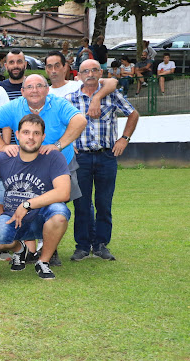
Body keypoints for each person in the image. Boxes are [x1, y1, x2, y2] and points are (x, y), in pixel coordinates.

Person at [0, 74, 87, 265]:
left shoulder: (58, 103)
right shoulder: (15, 106)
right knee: (22, 199)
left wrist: (59, 144)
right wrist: (2, 147)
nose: (35, 90)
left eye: (40, 86)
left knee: (56, 209)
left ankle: (49, 250)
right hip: (24, 163)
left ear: (47, 89)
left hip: (58, 161)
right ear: (22, 91)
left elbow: (80, 121)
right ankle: (26, 249)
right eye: (30, 87)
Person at [66, 60, 139, 262]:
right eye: (85, 71)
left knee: (104, 203)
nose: (90, 73)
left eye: (94, 70)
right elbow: (58, 123)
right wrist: (66, 142)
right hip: (80, 157)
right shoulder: (70, 99)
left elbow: (133, 114)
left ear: (101, 73)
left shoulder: (111, 95)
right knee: (81, 203)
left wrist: (124, 139)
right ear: (78, 75)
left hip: (107, 156)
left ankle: (100, 245)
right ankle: (81, 246)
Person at [0, 114, 71, 280]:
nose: (31, 137)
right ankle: (20, 249)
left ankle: (43, 261)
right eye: (26, 132)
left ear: (43, 137)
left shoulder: (53, 156)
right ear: (17, 135)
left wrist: (27, 204)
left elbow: (64, 192)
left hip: (41, 216)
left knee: (60, 212)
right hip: (13, 217)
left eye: (36, 133)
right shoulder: (4, 158)